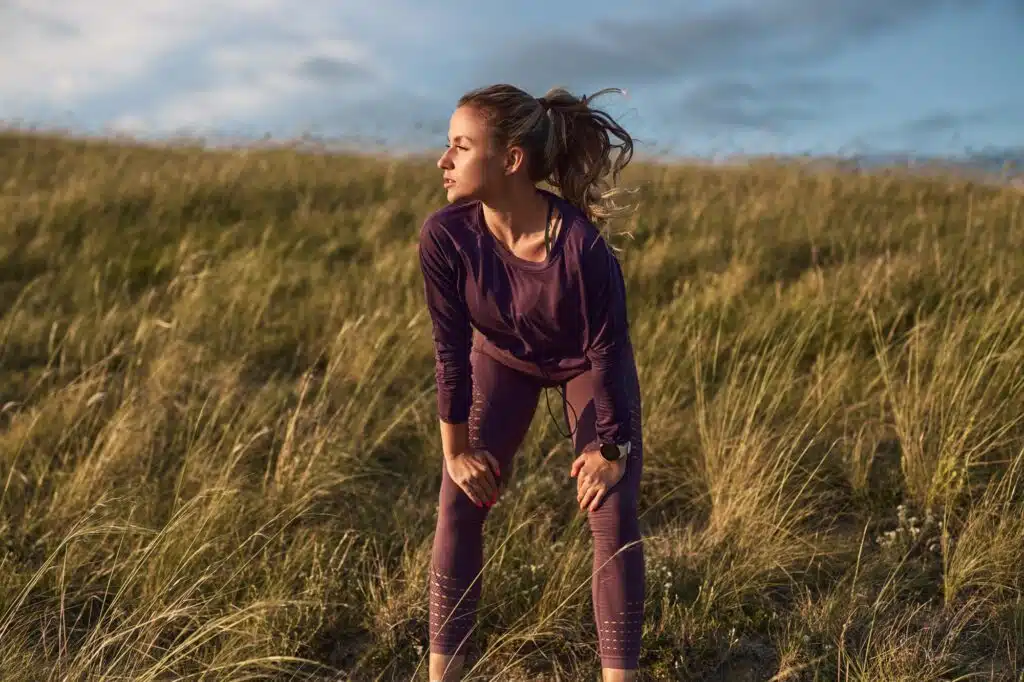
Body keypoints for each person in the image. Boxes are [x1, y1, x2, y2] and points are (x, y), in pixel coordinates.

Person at [418, 83, 644, 682]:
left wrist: (612, 451)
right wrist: (458, 453)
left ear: (511, 160)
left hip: (583, 371)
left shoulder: (582, 247)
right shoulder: (445, 236)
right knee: (459, 496)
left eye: (461, 147)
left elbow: (609, 354)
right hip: (502, 363)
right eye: (448, 146)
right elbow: (450, 352)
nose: (444, 160)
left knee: (611, 508)